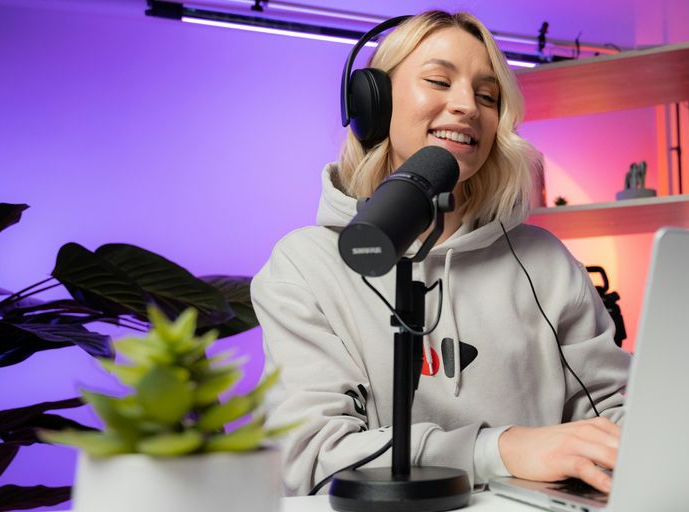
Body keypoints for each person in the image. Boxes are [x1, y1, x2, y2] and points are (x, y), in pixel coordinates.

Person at [251, 10, 631, 497]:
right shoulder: (304, 266)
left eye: (487, 95)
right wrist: (501, 450)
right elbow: (312, 458)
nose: (467, 106)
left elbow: (612, 414)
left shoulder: (545, 262)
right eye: (438, 80)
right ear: (374, 102)